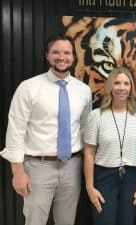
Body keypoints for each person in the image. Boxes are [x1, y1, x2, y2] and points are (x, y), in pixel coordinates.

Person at [0, 34, 92, 225]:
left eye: (67, 52)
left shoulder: (83, 90)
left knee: (67, 221)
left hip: (72, 166)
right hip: (37, 167)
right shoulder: (28, 88)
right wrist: (18, 172)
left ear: (74, 57)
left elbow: (85, 128)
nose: (61, 57)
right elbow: (15, 131)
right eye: (56, 52)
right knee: (35, 221)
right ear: (47, 56)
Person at [83, 66, 136, 225]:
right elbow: (89, 153)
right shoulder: (96, 116)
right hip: (103, 176)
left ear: (131, 87)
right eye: (117, 83)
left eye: (126, 83)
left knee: (128, 221)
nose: (121, 88)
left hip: (132, 176)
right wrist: (89, 187)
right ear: (110, 86)